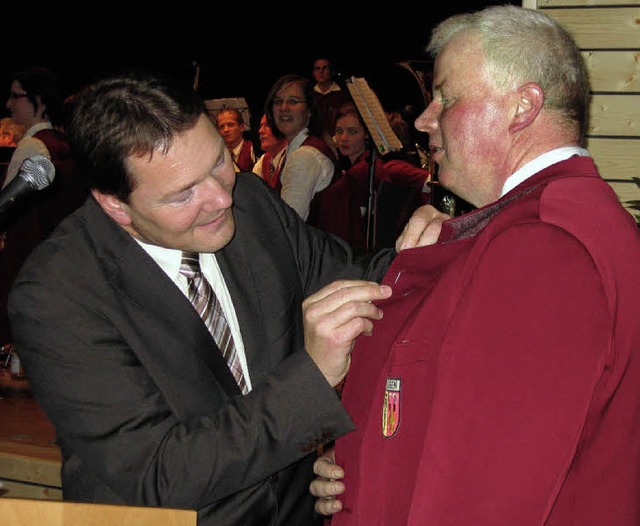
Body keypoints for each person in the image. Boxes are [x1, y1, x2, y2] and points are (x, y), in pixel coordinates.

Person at [7, 71, 446, 525]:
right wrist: (313, 378)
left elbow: (367, 280)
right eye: (184, 194)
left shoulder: (252, 204)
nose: (221, 197)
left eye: (218, 161)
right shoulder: (57, 294)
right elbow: (162, 476)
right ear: (115, 206)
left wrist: (436, 242)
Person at [311, 5, 640, 525]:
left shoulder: (544, 245)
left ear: (522, 107)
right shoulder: (535, 223)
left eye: (446, 96)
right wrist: (362, 460)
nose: (423, 118)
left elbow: (482, 499)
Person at [0, 66, 87, 346]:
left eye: (17, 96)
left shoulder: (31, 147)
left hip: (24, 263)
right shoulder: (63, 143)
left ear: (38, 100)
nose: (9, 104)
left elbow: (8, 215)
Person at [315, 101, 432, 250]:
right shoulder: (354, 170)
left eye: (352, 131)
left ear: (366, 135)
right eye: (339, 131)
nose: (343, 138)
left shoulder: (368, 169)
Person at [264, 73, 340, 223]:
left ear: (310, 110)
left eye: (293, 101)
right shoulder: (294, 150)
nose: (284, 108)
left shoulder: (305, 156)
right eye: (278, 101)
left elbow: (288, 226)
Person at [311, 56, 349, 138]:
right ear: (313, 73)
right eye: (317, 69)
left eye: (325, 68)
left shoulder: (343, 95)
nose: (321, 72)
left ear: (332, 71)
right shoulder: (309, 95)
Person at [252, 113, 287, 192]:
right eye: (261, 126)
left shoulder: (294, 158)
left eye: (267, 125)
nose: (260, 131)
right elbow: (252, 191)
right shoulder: (264, 159)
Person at [214, 107, 256, 172]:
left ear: (242, 127)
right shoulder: (217, 154)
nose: (226, 130)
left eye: (230, 125)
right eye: (221, 127)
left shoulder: (252, 149)